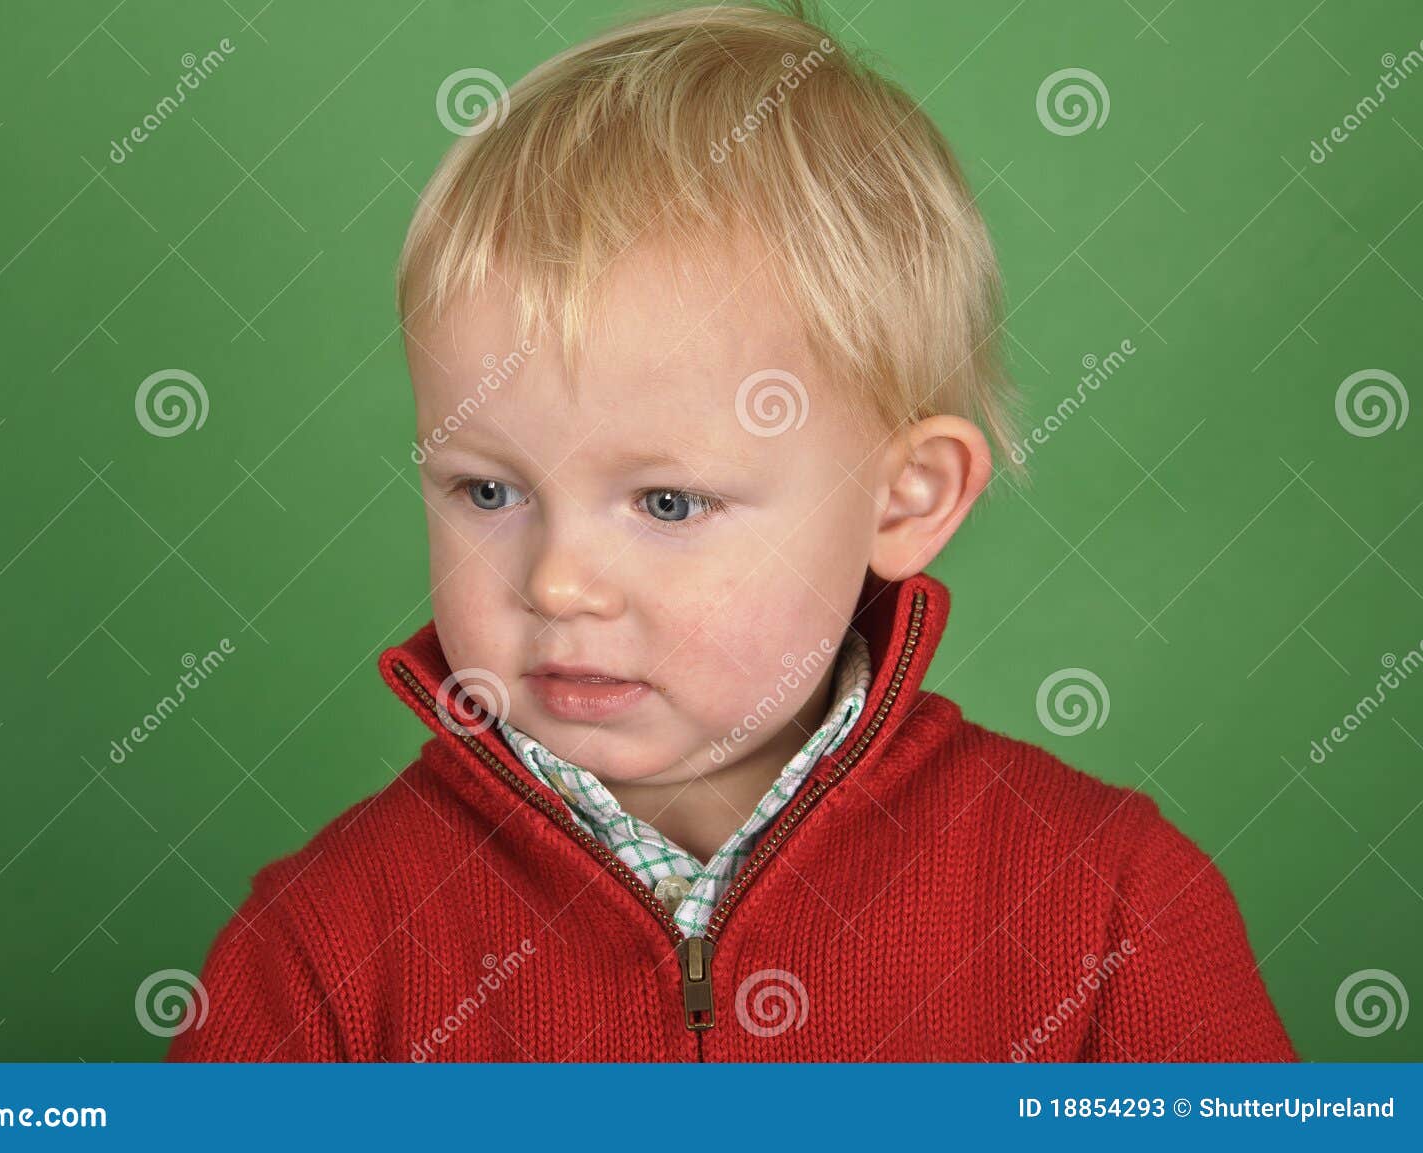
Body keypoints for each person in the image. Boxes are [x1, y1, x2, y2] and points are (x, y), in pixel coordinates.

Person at [168, 0, 1296, 1062]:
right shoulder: (321, 949)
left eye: (668, 503)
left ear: (904, 498)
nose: (558, 583)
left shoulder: (1108, 906)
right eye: (489, 492)